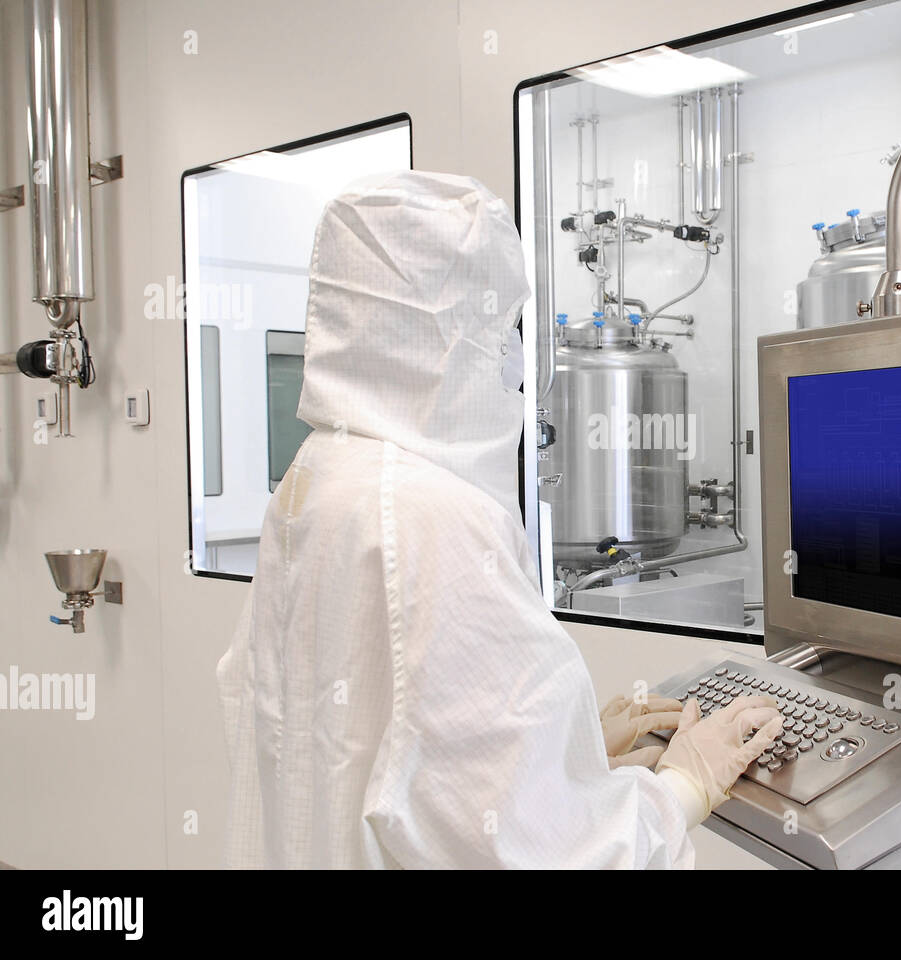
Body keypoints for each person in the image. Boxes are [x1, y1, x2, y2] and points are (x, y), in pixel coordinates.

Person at [216, 170, 783, 869]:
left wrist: (563, 752)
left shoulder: (319, 477)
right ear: (445, 331)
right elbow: (548, 853)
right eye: (502, 324)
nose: (515, 358)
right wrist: (685, 784)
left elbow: (377, 733)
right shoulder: (431, 517)